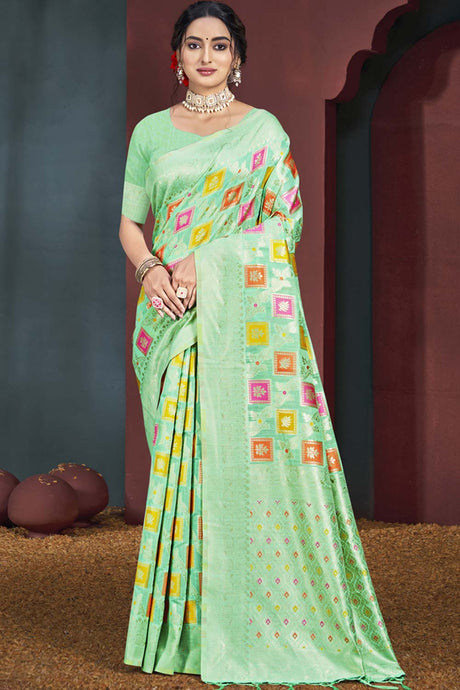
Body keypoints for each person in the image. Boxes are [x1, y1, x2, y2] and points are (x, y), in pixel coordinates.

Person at [118, 2, 410, 689]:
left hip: (234, 319)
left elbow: (286, 223)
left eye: (219, 45)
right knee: (182, 470)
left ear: (237, 57)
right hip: (166, 316)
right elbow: (130, 224)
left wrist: (205, 260)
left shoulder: (263, 132)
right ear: (178, 56)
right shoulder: (150, 133)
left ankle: (252, 620)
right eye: (194, 45)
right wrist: (153, 270)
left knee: (239, 463)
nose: (207, 56)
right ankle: (184, 632)